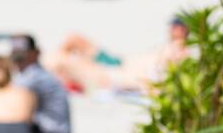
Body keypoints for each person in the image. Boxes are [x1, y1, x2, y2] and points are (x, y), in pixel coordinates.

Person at [45, 17, 191, 94]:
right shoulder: (172, 47)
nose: (170, 29)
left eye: (175, 26)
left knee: (63, 62)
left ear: (183, 29)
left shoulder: (180, 51)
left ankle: (41, 74)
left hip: (118, 76)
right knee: (74, 40)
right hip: (120, 63)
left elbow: (160, 83)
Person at [8, 35, 71, 133]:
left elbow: (5, 103)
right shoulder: (31, 75)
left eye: (21, 54)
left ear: (35, 53)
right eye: (14, 54)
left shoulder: (35, 77)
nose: (17, 59)